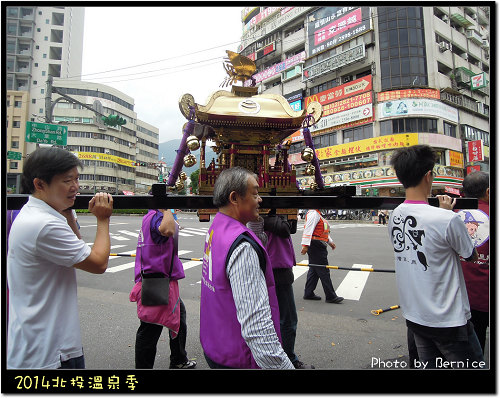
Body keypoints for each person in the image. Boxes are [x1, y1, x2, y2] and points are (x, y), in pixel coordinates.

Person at [7, 147, 114, 369]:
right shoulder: (44, 224)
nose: (75, 187)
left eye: (76, 179)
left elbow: (76, 247)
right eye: (67, 180)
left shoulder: (39, 213)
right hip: (50, 354)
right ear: (40, 184)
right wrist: (103, 219)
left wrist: (67, 210)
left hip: (41, 344)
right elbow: (98, 263)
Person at [388, 145, 483, 369]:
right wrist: (447, 213)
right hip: (449, 320)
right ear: (428, 175)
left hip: (415, 317)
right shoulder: (447, 219)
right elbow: (471, 255)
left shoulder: (395, 215)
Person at [200, 167, 294, 369]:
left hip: (216, 346)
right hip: (239, 358)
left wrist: (257, 221)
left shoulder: (218, 227)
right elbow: (257, 328)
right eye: (255, 193)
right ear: (235, 198)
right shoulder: (242, 247)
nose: (260, 199)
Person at [247, 210, 314, 369]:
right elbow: (285, 229)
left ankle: (283, 356)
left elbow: (290, 229)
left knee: (280, 317)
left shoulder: (264, 216)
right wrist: (280, 215)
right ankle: (288, 357)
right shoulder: (261, 217)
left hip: (277, 267)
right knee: (287, 319)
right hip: (276, 268)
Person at [131, 208, 196, 369]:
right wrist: (167, 208)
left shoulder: (151, 216)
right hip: (157, 282)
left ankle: (179, 359)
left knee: (179, 315)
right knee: (150, 329)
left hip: (160, 279)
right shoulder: (156, 216)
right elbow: (167, 230)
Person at [457, 171, 489, 353]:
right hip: (485, 294)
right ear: (488, 191)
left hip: (459, 295)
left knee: (470, 342)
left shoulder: (451, 215)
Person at [301, 210, 344, 303]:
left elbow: (322, 232)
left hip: (317, 244)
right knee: (324, 270)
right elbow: (308, 229)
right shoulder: (313, 213)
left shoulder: (319, 215)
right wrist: (305, 245)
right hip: (316, 245)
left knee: (314, 270)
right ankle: (330, 296)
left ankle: (308, 293)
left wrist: (330, 242)